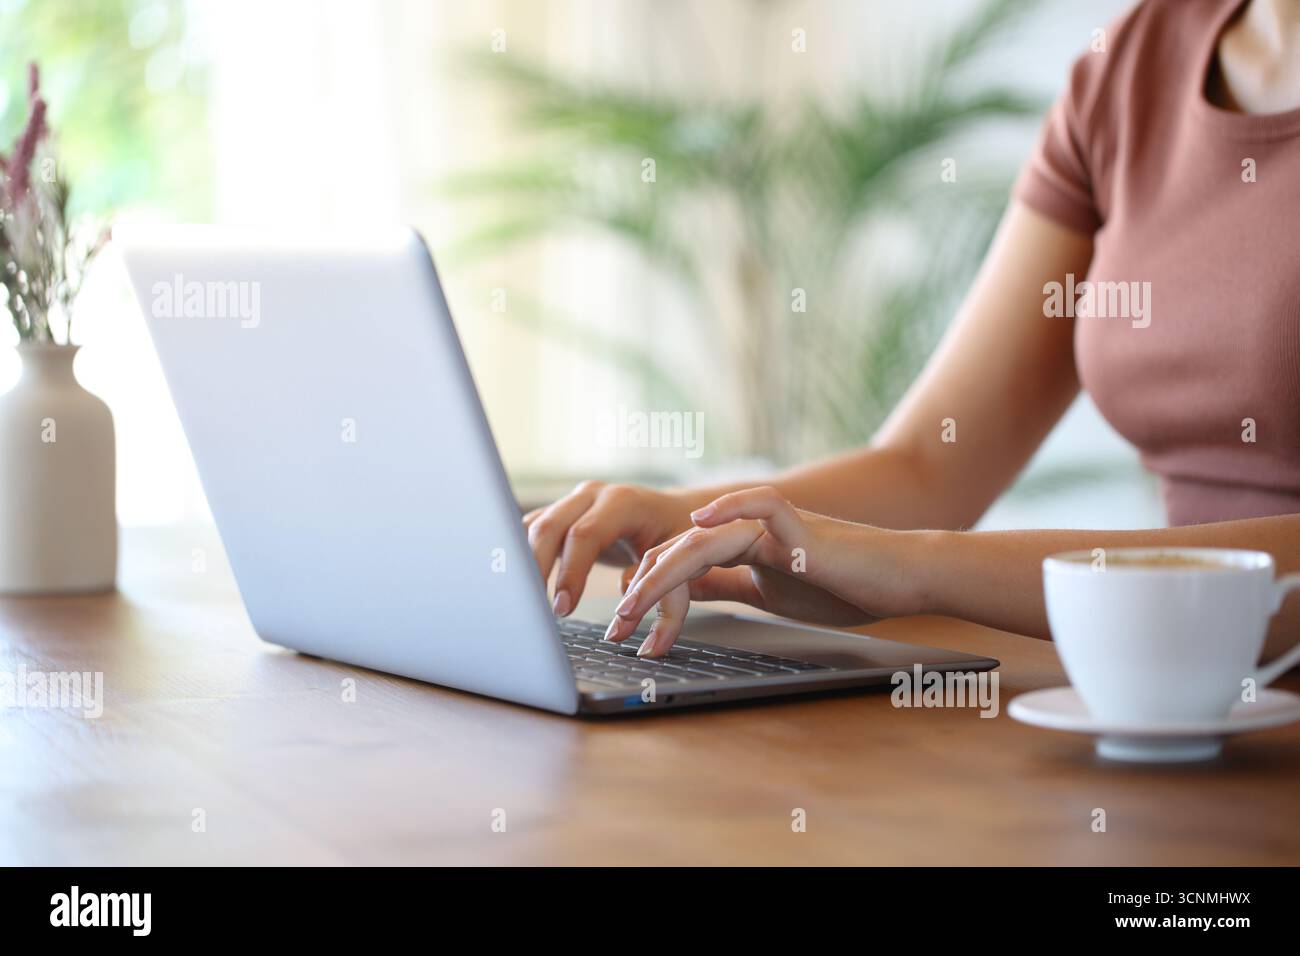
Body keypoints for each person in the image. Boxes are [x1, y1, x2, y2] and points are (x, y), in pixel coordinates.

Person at [523, 0, 1300, 658]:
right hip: (1189, 702)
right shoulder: (1136, 63)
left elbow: (924, 522)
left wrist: (916, 567)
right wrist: (691, 517)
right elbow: (934, 463)